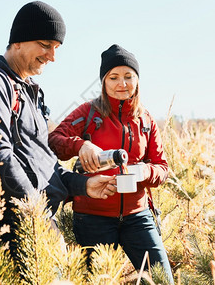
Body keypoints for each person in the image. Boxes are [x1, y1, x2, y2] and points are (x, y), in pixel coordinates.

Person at [0, 1, 116, 253]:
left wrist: (83, 185)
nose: (52, 56)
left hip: (38, 220)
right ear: (18, 41)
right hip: (13, 228)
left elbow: (45, 165)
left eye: (56, 48)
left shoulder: (30, 90)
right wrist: (37, 215)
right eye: (45, 45)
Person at [48, 44, 174, 283]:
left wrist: (145, 171)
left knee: (162, 280)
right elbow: (54, 141)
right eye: (113, 77)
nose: (122, 83)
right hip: (92, 218)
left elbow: (162, 168)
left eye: (128, 76)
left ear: (137, 80)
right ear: (104, 81)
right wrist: (80, 145)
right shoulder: (87, 113)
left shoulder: (146, 119)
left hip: (139, 217)